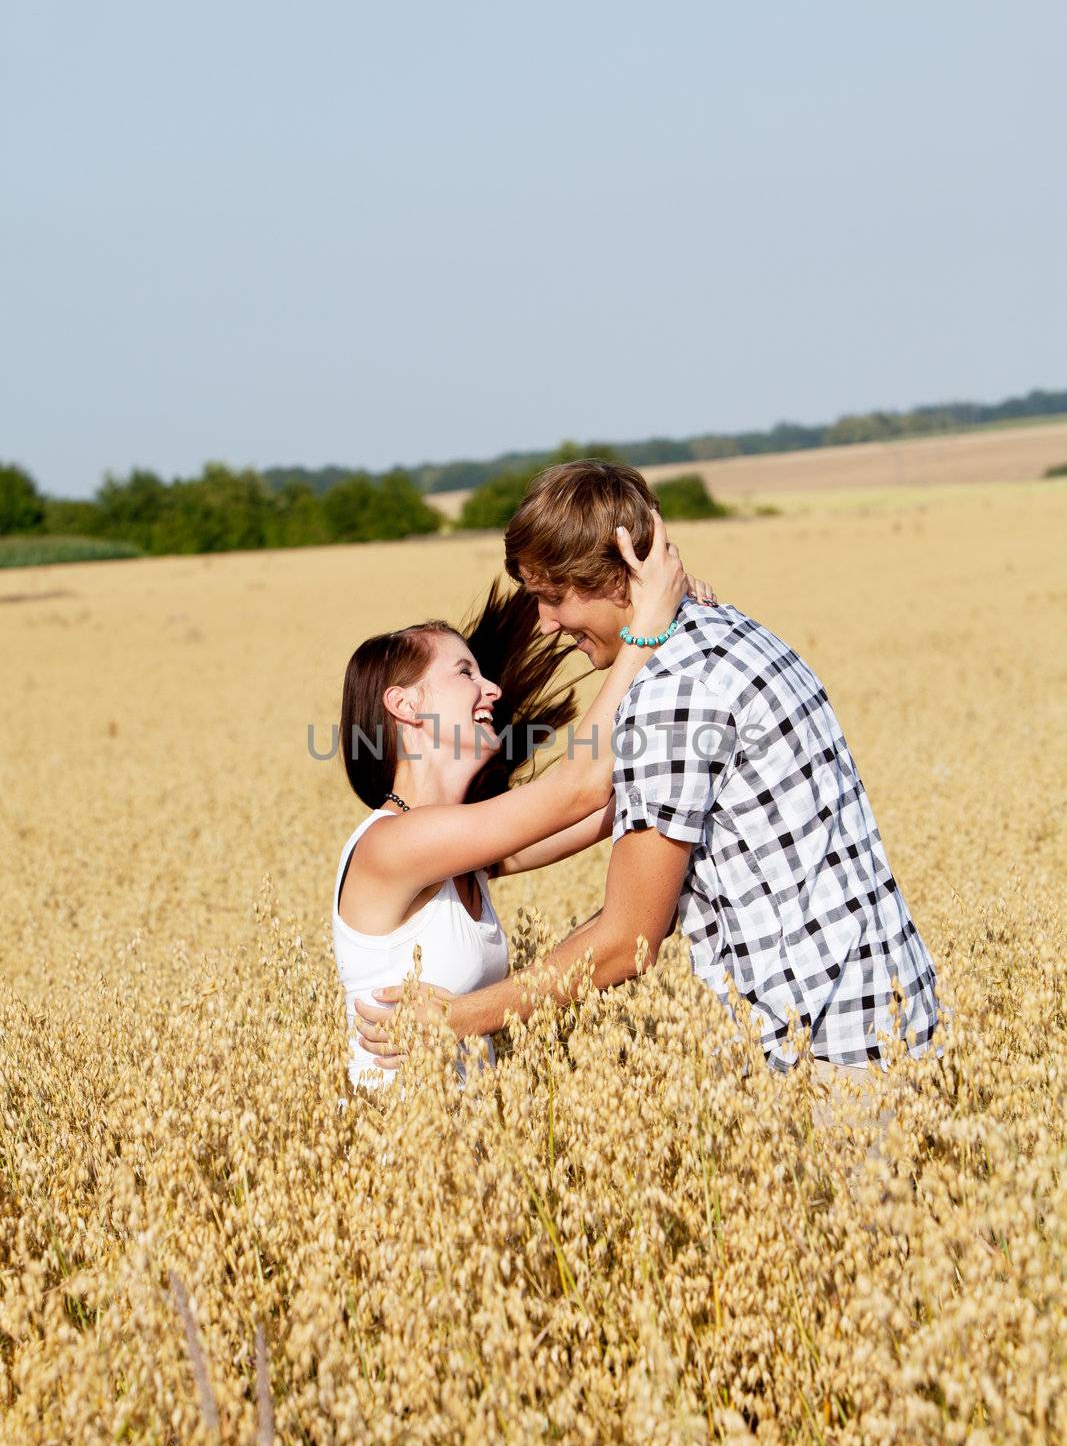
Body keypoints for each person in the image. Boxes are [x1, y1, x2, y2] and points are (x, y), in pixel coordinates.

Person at [355, 459, 939, 1093]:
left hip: (820, 1045)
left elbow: (626, 930)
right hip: (882, 1014)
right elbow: (593, 804)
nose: (545, 623)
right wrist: (652, 628)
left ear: (614, 574)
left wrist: (460, 1017)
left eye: (553, 596)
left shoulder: (673, 691)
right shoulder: (730, 636)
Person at [333, 509, 712, 1091]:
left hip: (461, 1149)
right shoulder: (393, 843)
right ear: (406, 706)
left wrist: (677, 624)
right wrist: (649, 627)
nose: (492, 689)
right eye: (465, 673)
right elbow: (579, 787)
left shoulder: (461, 851)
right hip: (397, 1150)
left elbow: (607, 804)